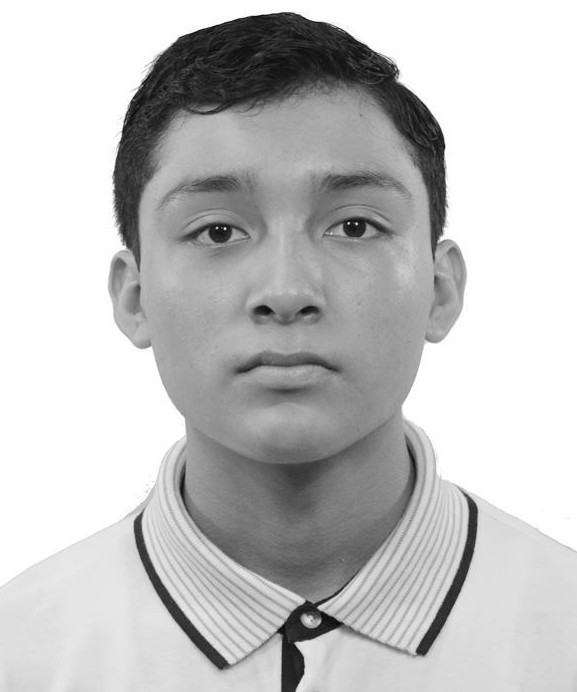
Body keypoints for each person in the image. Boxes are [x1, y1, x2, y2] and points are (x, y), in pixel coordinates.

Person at [1, 12, 576, 691]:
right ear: (134, 296)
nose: (286, 291)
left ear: (440, 288)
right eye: (217, 232)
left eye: (354, 226)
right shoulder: (22, 653)